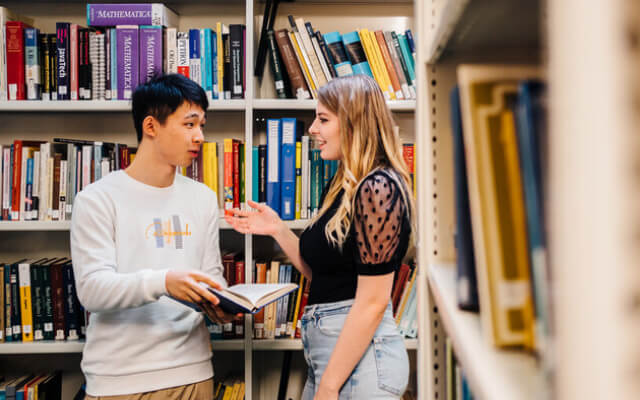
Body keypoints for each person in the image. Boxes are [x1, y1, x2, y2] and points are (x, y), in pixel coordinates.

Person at [225, 75, 414, 399]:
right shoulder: (344, 184)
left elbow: (372, 302)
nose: (312, 128)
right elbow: (327, 277)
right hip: (333, 358)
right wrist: (278, 230)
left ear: (354, 124)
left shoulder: (378, 187)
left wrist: (329, 384)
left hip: (360, 363)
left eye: (323, 119)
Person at [70, 74, 238, 399]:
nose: (200, 136)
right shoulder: (97, 199)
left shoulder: (202, 197)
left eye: (202, 125)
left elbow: (211, 275)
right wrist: (163, 282)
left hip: (194, 370)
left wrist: (220, 303)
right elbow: (92, 289)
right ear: (151, 127)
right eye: (189, 124)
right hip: (121, 379)